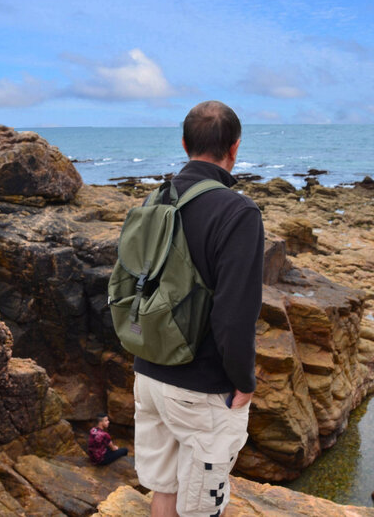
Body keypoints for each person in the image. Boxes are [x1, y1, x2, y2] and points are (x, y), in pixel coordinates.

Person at [133, 101, 264, 517]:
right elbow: (234, 315)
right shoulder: (237, 212)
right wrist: (244, 380)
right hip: (201, 388)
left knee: (165, 488)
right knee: (203, 507)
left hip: (148, 372)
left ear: (185, 143)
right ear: (235, 148)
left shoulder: (154, 199)